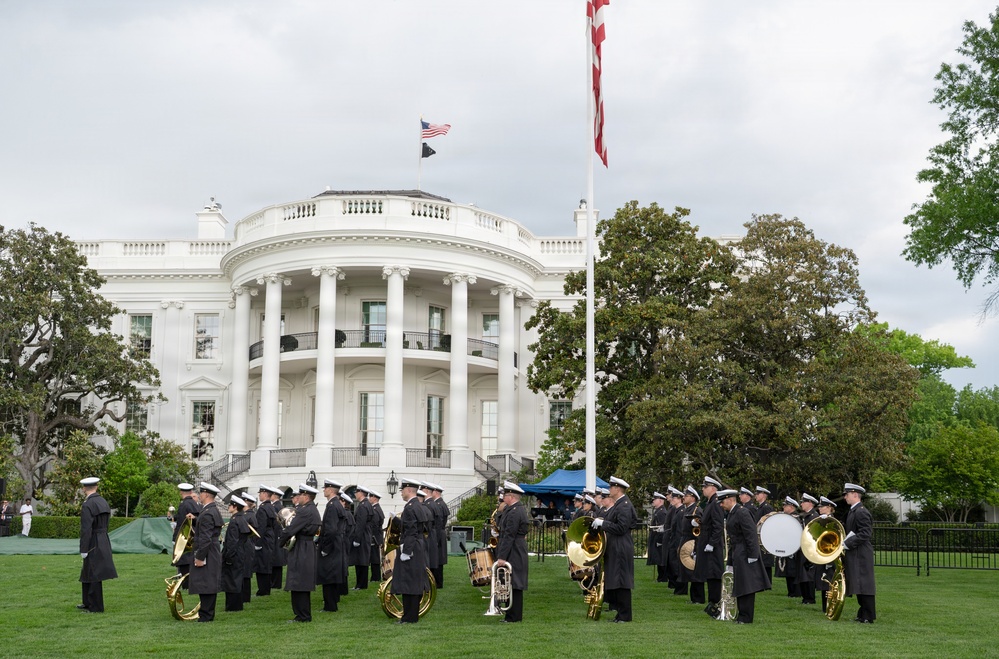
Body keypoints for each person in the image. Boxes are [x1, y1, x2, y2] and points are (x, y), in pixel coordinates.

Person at [717, 489, 771, 623]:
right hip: (738, 551)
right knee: (740, 584)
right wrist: (730, 561)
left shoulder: (742, 512)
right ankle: (741, 614)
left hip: (745, 552)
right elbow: (731, 540)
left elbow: (751, 535)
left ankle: (746, 617)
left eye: (722, 502)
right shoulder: (732, 513)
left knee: (747, 585)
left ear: (730, 499)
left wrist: (753, 555)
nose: (721, 505)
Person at [591, 476, 638, 622]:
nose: (609, 489)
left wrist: (603, 524)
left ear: (617, 489)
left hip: (620, 546)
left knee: (622, 580)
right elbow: (632, 521)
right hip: (617, 545)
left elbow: (622, 527)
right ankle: (620, 613)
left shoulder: (623, 505)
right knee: (616, 580)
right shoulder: (620, 504)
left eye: (611, 487)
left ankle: (625, 615)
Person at [391, 478, 432, 624]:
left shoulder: (410, 507)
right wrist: (396, 520)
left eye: (402, 490)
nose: (401, 493)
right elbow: (418, 528)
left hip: (412, 546)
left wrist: (406, 552)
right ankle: (410, 616)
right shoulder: (418, 505)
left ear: (409, 490)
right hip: (417, 545)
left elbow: (411, 532)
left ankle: (409, 617)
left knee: (408, 581)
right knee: (413, 581)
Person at [280, 484, 321, 623]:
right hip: (306, 546)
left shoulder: (305, 511)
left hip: (302, 547)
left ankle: (302, 615)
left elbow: (291, 529)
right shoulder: (312, 509)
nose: (298, 498)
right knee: (301, 581)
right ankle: (302, 614)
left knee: (299, 582)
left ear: (306, 496)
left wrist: (280, 541)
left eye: (301, 495)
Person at [78, 477, 117, 613]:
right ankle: (87, 602)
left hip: (93, 538)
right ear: (97, 487)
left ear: (84, 488)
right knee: (88, 570)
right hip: (103, 537)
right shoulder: (102, 501)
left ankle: (95, 606)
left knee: (94, 572)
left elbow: (86, 528)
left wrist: (84, 548)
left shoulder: (88, 504)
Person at [494, 480, 530, 623]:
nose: (503, 497)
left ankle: (514, 616)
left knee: (514, 583)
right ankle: (510, 615)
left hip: (514, 549)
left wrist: (502, 556)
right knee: (509, 582)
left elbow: (509, 535)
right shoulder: (511, 509)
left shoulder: (516, 511)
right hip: (513, 547)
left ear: (512, 497)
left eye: (505, 495)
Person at [188, 482, 223, 622]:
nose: (199, 496)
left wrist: (200, 557)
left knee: (206, 583)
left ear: (206, 494)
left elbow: (206, 538)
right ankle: (206, 613)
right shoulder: (210, 510)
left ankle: (206, 615)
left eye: (201, 493)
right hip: (211, 550)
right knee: (206, 581)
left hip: (207, 551)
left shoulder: (208, 512)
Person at [842, 482, 876, 623]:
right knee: (858, 583)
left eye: (847, 494)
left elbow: (865, 533)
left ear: (855, 494)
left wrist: (847, 543)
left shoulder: (861, 511)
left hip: (861, 553)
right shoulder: (854, 511)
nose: (845, 497)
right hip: (856, 552)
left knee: (864, 584)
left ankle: (868, 615)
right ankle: (863, 613)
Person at [693, 476, 725, 618]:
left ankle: (715, 603)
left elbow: (718, 527)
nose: (703, 489)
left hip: (713, 547)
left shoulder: (716, 504)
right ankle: (713, 602)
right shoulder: (710, 503)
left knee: (714, 575)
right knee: (709, 574)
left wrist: (712, 543)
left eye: (705, 487)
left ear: (713, 488)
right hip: (707, 544)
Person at [317, 479, 349, 612]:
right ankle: (332, 602)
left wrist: (325, 548)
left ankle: (329, 606)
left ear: (330, 490)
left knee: (328, 575)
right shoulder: (337, 504)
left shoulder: (332, 506)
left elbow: (330, 529)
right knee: (333, 574)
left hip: (332, 545)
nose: (323, 490)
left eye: (325, 488)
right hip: (337, 543)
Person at [222, 496, 250, 612]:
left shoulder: (234, 521)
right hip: (240, 552)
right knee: (237, 578)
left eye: (230, 505)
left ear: (235, 507)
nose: (228, 507)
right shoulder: (242, 518)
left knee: (231, 579)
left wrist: (229, 556)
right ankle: (237, 604)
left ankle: (233, 606)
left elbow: (232, 541)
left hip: (234, 553)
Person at [172, 482, 202, 589]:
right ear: (190, 492)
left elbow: (181, 523)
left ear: (181, 492)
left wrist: (175, 537)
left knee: (184, 561)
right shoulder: (193, 503)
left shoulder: (185, 504)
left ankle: (186, 584)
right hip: (192, 536)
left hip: (185, 536)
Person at [678, 485, 703, 601]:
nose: (684, 497)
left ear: (693, 498)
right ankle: (694, 597)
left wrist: (696, 523)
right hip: (686, 540)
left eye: (686, 496)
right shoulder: (688, 509)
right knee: (688, 570)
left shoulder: (697, 510)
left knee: (694, 569)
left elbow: (700, 525)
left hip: (693, 542)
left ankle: (698, 597)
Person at [814, 496, 838, 614]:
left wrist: (829, 560)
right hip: (822, 553)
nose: (819, 509)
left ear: (829, 508)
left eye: (822, 507)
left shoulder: (833, 522)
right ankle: (825, 607)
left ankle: (830, 605)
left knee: (829, 581)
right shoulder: (822, 520)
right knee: (823, 581)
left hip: (830, 554)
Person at [796, 493, 820, 605]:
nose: (801, 504)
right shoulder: (806, 516)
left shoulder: (814, 517)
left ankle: (810, 598)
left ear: (810, 503)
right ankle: (805, 597)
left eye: (803, 502)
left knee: (809, 573)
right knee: (803, 573)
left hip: (810, 548)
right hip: (804, 547)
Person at [253, 485, 276, 596]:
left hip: (264, 538)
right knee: (266, 563)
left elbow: (260, 527)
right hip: (269, 537)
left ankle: (263, 590)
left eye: (261, 493)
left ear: (265, 494)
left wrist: (257, 542)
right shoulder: (270, 507)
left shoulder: (262, 508)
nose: (259, 495)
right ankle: (266, 588)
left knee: (261, 564)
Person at [350, 486, 373, 590]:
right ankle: (361, 584)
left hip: (362, 536)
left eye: (357, 492)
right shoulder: (366, 504)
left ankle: (361, 585)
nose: (355, 494)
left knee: (361, 560)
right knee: (361, 560)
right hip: (365, 534)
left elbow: (361, 524)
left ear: (361, 493)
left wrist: (357, 539)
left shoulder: (363, 506)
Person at [777, 496, 801, 598]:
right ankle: (791, 592)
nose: (783, 507)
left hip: (794, 548)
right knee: (788, 571)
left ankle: (795, 592)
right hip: (788, 546)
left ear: (791, 507)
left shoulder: (796, 518)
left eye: (785, 505)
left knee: (793, 571)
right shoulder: (788, 518)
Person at [753, 486, 775, 582]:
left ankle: (767, 581)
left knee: (766, 560)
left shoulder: (766, 507)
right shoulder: (761, 507)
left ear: (764, 495)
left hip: (765, 538)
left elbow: (769, 522)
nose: (756, 496)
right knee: (762, 560)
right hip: (760, 537)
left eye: (758, 494)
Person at [428, 483, 449, 588]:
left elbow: (439, 522)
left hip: (438, 535)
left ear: (435, 492)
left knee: (437, 560)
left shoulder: (439, 505)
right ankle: (437, 582)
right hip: (440, 533)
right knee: (438, 559)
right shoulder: (440, 504)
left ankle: (438, 582)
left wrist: (436, 539)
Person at [647, 491, 669, 583]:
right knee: (658, 558)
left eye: (655, 499)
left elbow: (662, 527)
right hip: (656, 538)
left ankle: (662, 577)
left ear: (660, 500)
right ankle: (660, 577)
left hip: (659, 539)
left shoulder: (662, 512)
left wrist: (660, 540)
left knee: (660, 558)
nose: (653, 501)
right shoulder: (658, 511)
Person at [268, 486, 287, 590]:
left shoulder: (275, 506)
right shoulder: (279, 506)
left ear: (275, 496)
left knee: (276, 559)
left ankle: (275, 583)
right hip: (279, 533)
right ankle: (276, 582)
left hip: (276, 534)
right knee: (277, 559)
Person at [368, 489, 386, 582]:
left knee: (375, 558)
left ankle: (375, 577)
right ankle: (375, 576)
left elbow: (374, 524)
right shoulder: (377, 508)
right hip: (377, 536)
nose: (369, 498)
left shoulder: (375, 510)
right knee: (374, 557)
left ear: (375, 498)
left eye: (370, 496)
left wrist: (371, 536)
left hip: (375, 537)